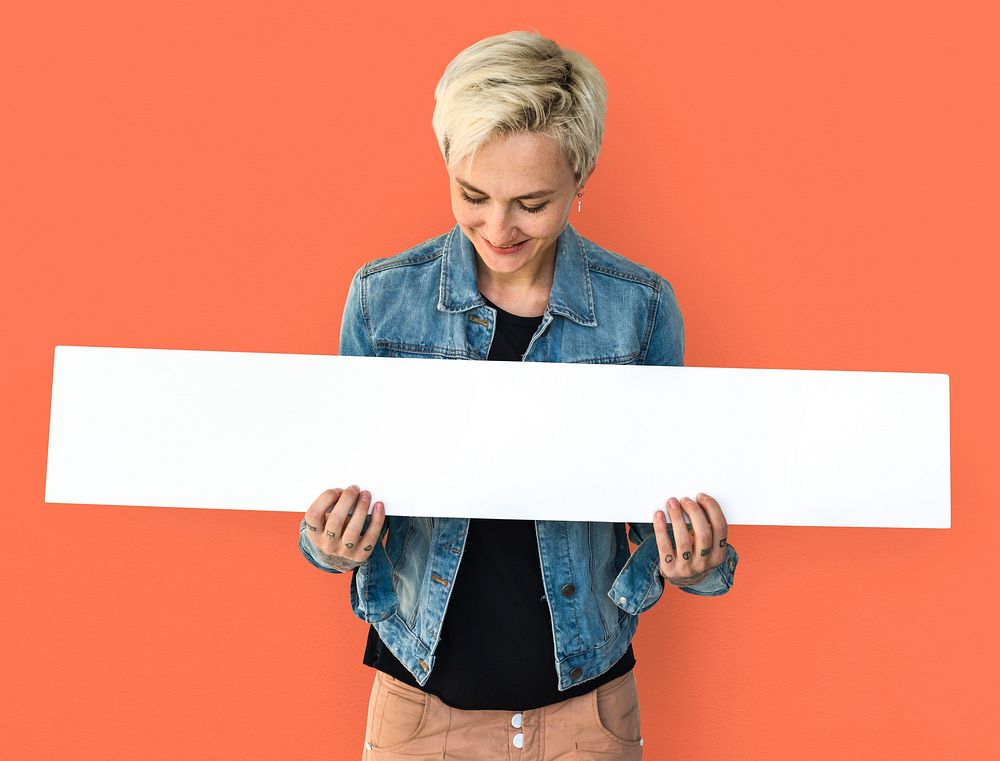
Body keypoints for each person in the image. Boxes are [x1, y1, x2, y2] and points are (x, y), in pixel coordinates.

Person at [298, 30, 739, 761]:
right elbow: (331, 516)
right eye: (473, 195)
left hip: (586, 710)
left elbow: (659, 518)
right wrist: (329, 541)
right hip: (419, 708)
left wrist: (693, 560)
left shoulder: (644, 310)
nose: (498, 228)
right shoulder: (381, 300)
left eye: (531, 203)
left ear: (581, 181)